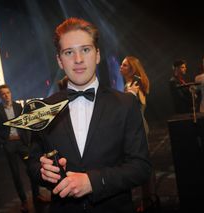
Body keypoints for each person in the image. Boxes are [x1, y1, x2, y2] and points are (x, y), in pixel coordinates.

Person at [28, 17, 151, 213]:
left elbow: (141, 167)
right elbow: (33, 164)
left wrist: (94, 182)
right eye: (69, 52)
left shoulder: (126, 103)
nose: (78, 60)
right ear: (59, 60)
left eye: (85, 49)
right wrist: (43, 172)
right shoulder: (42, 109)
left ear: (97, 54)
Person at [0, 84, 44, 212]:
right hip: (9, 145)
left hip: (22, 143)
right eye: (3, 93)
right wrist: (3, 144)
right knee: (16, 175)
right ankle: (24, 201)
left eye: (8, 92)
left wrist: (28, 141)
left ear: (10, 93)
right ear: (0, 96)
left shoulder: (18, 106)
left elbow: (26, 124)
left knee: (32, 169)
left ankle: (37, 195)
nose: (6, 95)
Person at [120, 56, 159, 213]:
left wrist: (129, 95)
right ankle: (148, 198)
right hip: (136, 127)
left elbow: (141, 103)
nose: (120, 67)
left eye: (124, 65)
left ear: (132, 68)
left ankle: (148, 199)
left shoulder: (136, 83)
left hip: (139, 127)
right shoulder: (130, 84)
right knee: (141, 163)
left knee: (144, 164)